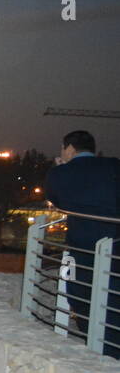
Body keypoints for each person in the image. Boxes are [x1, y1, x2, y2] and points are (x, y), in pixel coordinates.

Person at [44, 130, 120, 357]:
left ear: (69, 149)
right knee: (113, 299)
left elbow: (56, 201)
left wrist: (59, 168)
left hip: (83, 247)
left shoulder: (60, 174)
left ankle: (99, 350)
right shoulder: (114, 166)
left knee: (81, 297)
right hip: (116, 245)